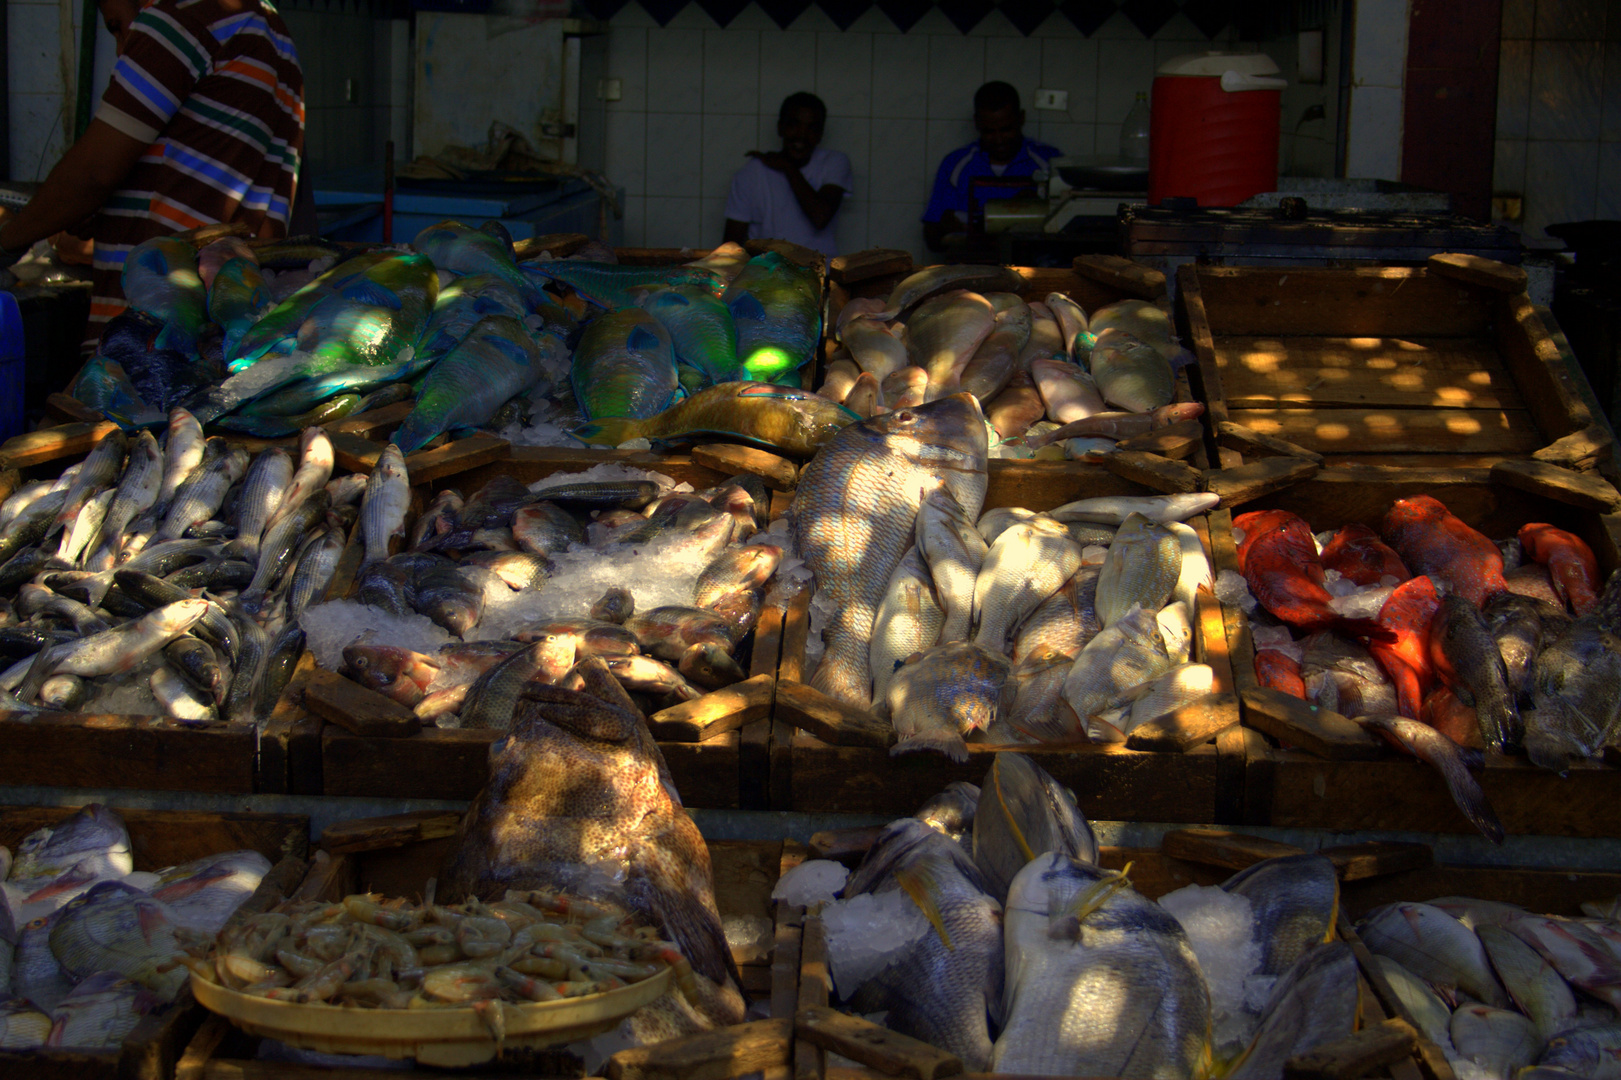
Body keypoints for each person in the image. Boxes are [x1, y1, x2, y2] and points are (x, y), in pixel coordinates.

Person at [0, 0, 305, 354]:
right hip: (234, 325)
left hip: (155, 333)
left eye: (116, 26)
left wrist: (7, 243)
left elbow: (92, 174)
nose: (121, 47)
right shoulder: (268, 23)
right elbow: (207, 162)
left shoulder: (181, 15)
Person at [922, 81, 1060, 253]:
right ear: (977, 123)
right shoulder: (955, 165)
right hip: (971, 270)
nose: (998, 139)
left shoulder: (1049, 162)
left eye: (1006, 129)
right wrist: (945, 227)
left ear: (1021, 118)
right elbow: (931, 239)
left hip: (1033, 270)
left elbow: (1066, 235)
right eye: (989, 131)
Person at [724, 92, 852, 260]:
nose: (801, 135)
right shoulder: (751, 172)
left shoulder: (835, 162)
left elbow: (820, 216)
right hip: (764, 278)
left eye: (811, 128)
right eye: (794, 125)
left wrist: (787, 166)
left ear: (820, 134)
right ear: (780, 128)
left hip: (821, 276)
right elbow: (729, 249)